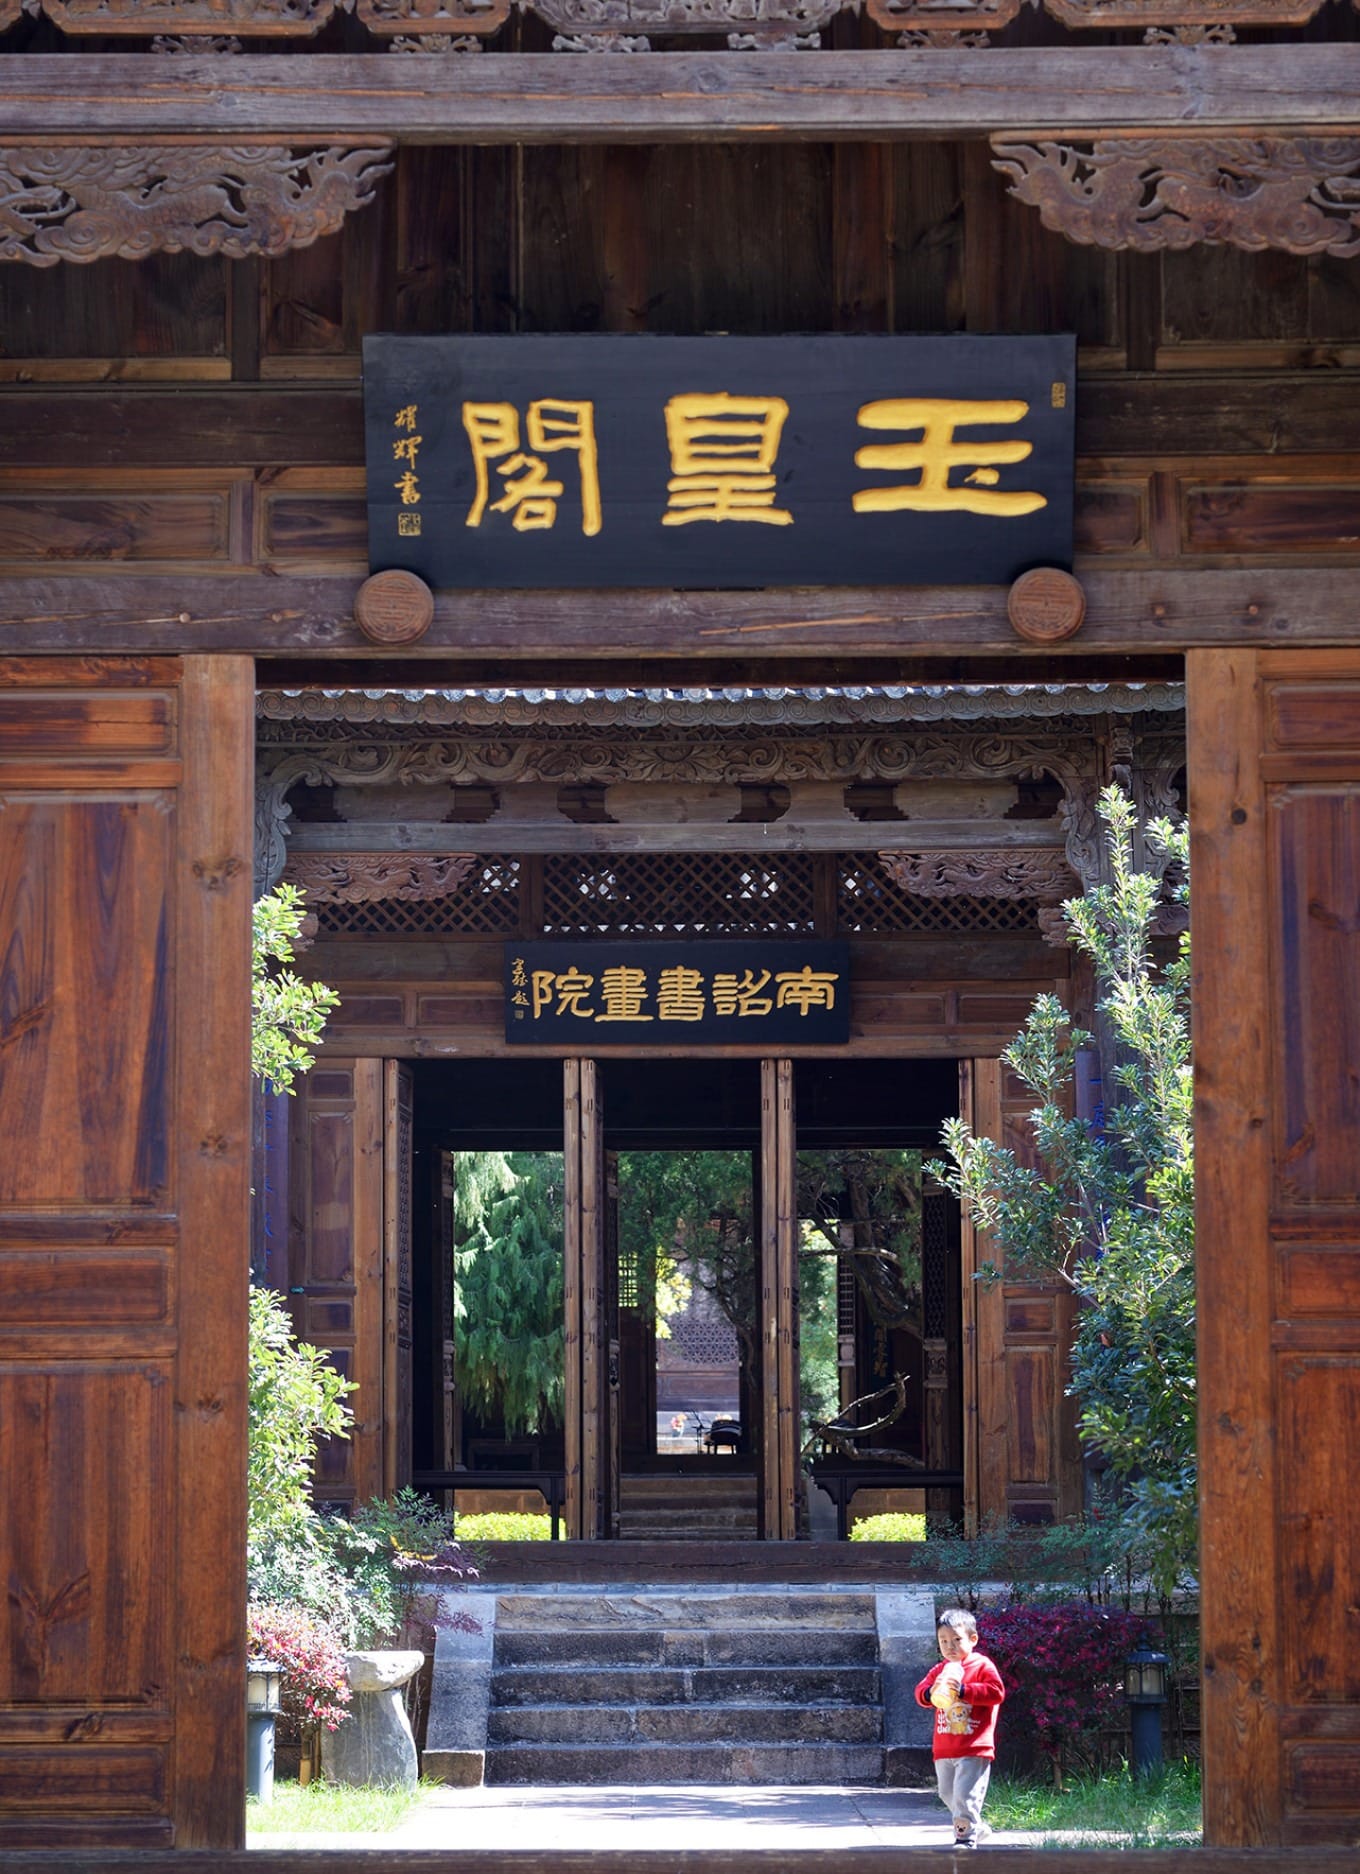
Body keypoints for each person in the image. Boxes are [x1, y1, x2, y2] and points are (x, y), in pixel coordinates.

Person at [914, 1607, 1006, 1849]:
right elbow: (920, 1692)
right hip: (945, 1746)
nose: (949, 1646)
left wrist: (964, 1690)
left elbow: (996, 1692)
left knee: (965, 1796)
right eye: (943, 1641)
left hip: (974, 1746)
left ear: (972, 1639)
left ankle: (965, 1839)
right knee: (947, 1793)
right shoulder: (940, 1669)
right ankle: (976, 1826)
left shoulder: (982, 1665)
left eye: (956, 1640)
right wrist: (929, 1692)